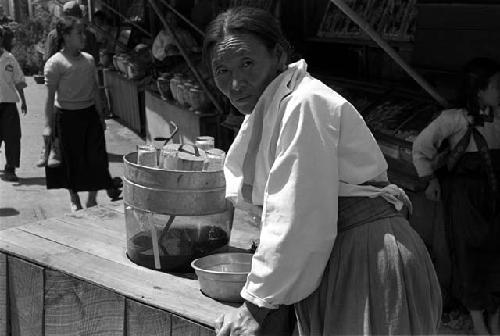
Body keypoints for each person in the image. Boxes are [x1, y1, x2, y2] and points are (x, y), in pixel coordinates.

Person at [204, 6, 442, 336]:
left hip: (365, 258)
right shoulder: (273, 107)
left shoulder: (303, 103)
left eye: (247, 63)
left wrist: (255, 306)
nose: (235, 83)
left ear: (277, 55)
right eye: (221, 70)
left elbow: (297, 213)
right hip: (341, 256)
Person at [413, 58, 500, 335]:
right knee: (469, 254)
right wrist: (430, 180)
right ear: (479, 90)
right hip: (466, 198)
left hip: (496, 194)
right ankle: (477, 320)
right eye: (497, 86)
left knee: (497, 253)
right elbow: (421, 147)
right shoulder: (454, 120)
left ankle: (496, 317)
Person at [43, 16, 116, 211]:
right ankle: (74, 198)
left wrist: (100, 116)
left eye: (83, 32)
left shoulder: (89, 60)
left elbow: (95, 89)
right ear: (66, 36)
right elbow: (50, 98)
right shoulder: (55, 63)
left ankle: (92, 199)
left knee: (97, 158)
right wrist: (48, 125)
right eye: (78, 33)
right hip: (66, 117)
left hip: (89, 115)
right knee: (71, 160)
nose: (83, 37)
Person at [0, 26, 27, 182]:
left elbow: (18, 80)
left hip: (9, 104)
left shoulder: (10, 58)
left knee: (12, 137)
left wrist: (23, 100)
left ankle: (10, 168)